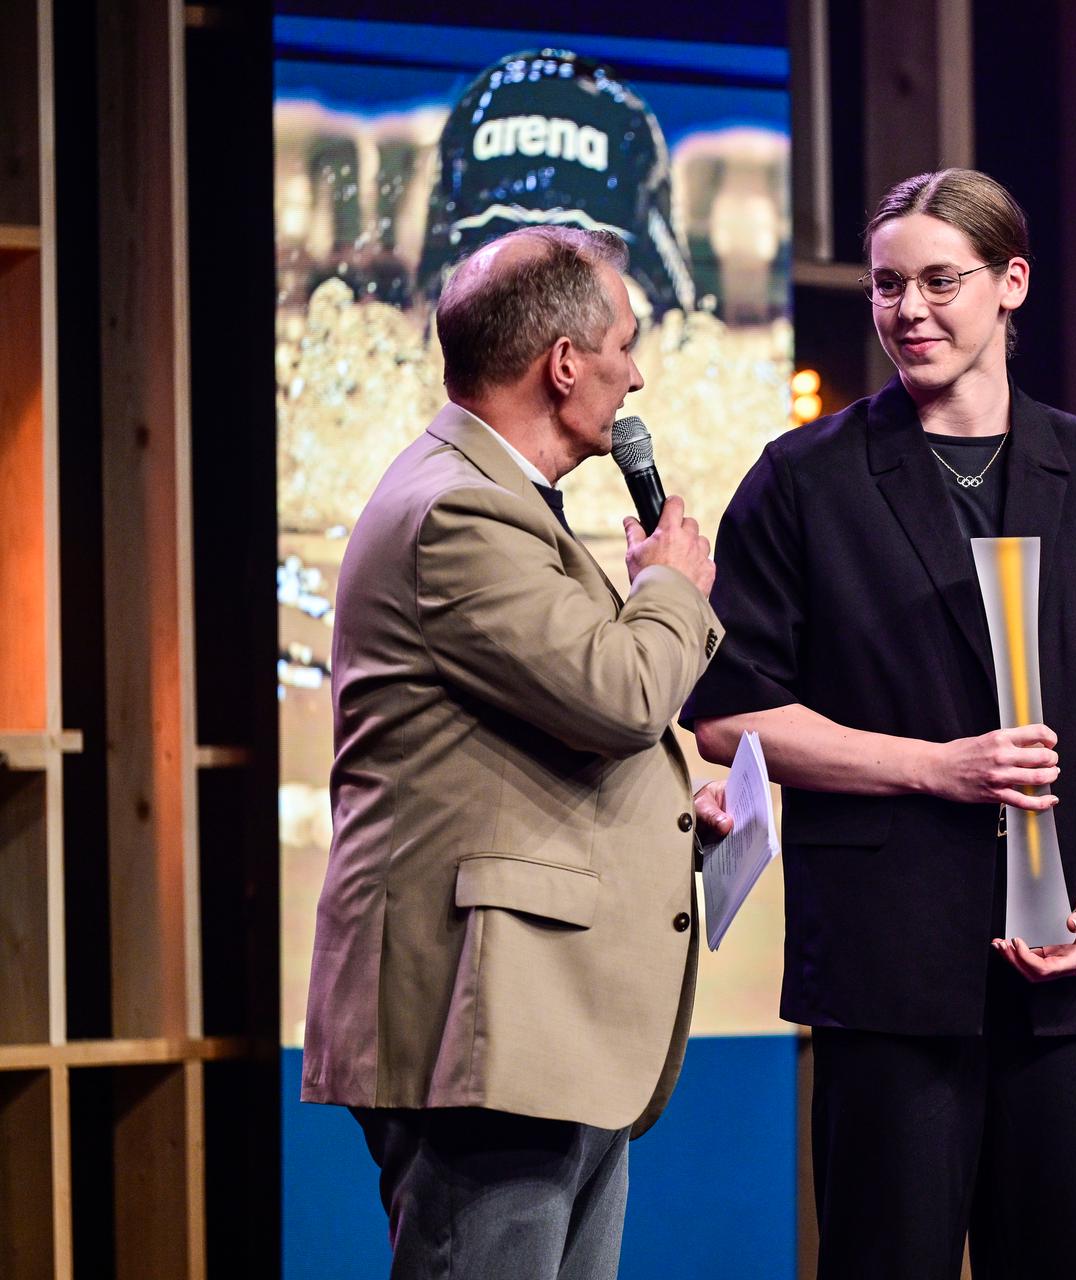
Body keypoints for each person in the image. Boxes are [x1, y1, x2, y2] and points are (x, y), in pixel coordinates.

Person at [684, 169, 1076, 1278]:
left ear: (1011, 283)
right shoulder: (805, 480)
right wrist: (935, 767)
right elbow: (730, 713)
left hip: (1072, 967)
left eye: (941, 280)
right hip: (890, 971)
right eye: (889, 285)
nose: (909, 310)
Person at [301, 225, 729, 1280]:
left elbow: (543, 738)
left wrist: (675, 818)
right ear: (564, 362)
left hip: (547, 1027)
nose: (638, 372)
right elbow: (624, 692)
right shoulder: (458, 511)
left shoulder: (500, 505)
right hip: (487, 1027)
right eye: (626, 342)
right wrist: (672, 583)